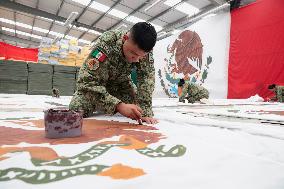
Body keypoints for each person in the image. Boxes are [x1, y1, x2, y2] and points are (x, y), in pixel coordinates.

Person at [69, 22, 158, 124]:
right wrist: (119, 106)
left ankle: (109, 103)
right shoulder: (107, 43)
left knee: (138, 109)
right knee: (76, 108)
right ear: (125, 38)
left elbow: (146, 78)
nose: (137, 60)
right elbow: (86, 82)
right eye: (133, 54)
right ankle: (104, 103)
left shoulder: (145, 50)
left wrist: (146, 112)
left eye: (141, 56)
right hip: (99, 86)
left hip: (122, 86)